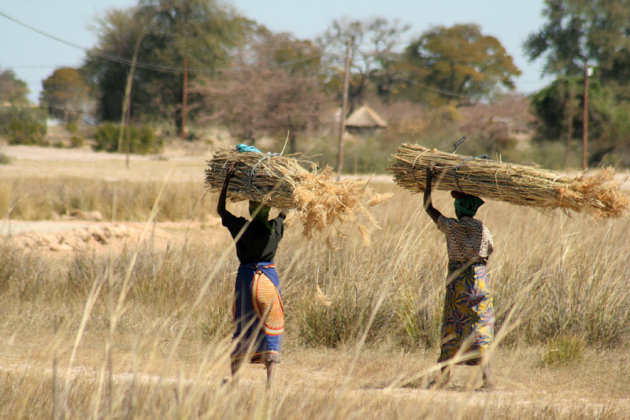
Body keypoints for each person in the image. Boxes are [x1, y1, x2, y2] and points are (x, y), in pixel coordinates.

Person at [423, 163, 495, 388]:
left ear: (458, 208)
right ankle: (487, 379)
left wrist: (429, 180)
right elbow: (490, 249)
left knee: (452, 325)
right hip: (478, 280)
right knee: (480, 325)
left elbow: (428, 207)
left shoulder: (450, 226)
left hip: (456, 282)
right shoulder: (482, 229)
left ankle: (444, 377)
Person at [217, 165, 286, 388]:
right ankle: (270, 384)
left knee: (242, 328)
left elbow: (221, 211)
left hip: (246, 281)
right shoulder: (275, 228)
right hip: (267, 280)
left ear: (250, 209)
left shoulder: (241, 227)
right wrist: (287, 187)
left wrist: (226, 182)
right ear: (268, 211)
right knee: (272, 329)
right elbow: (287, 210)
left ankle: (234, 381)